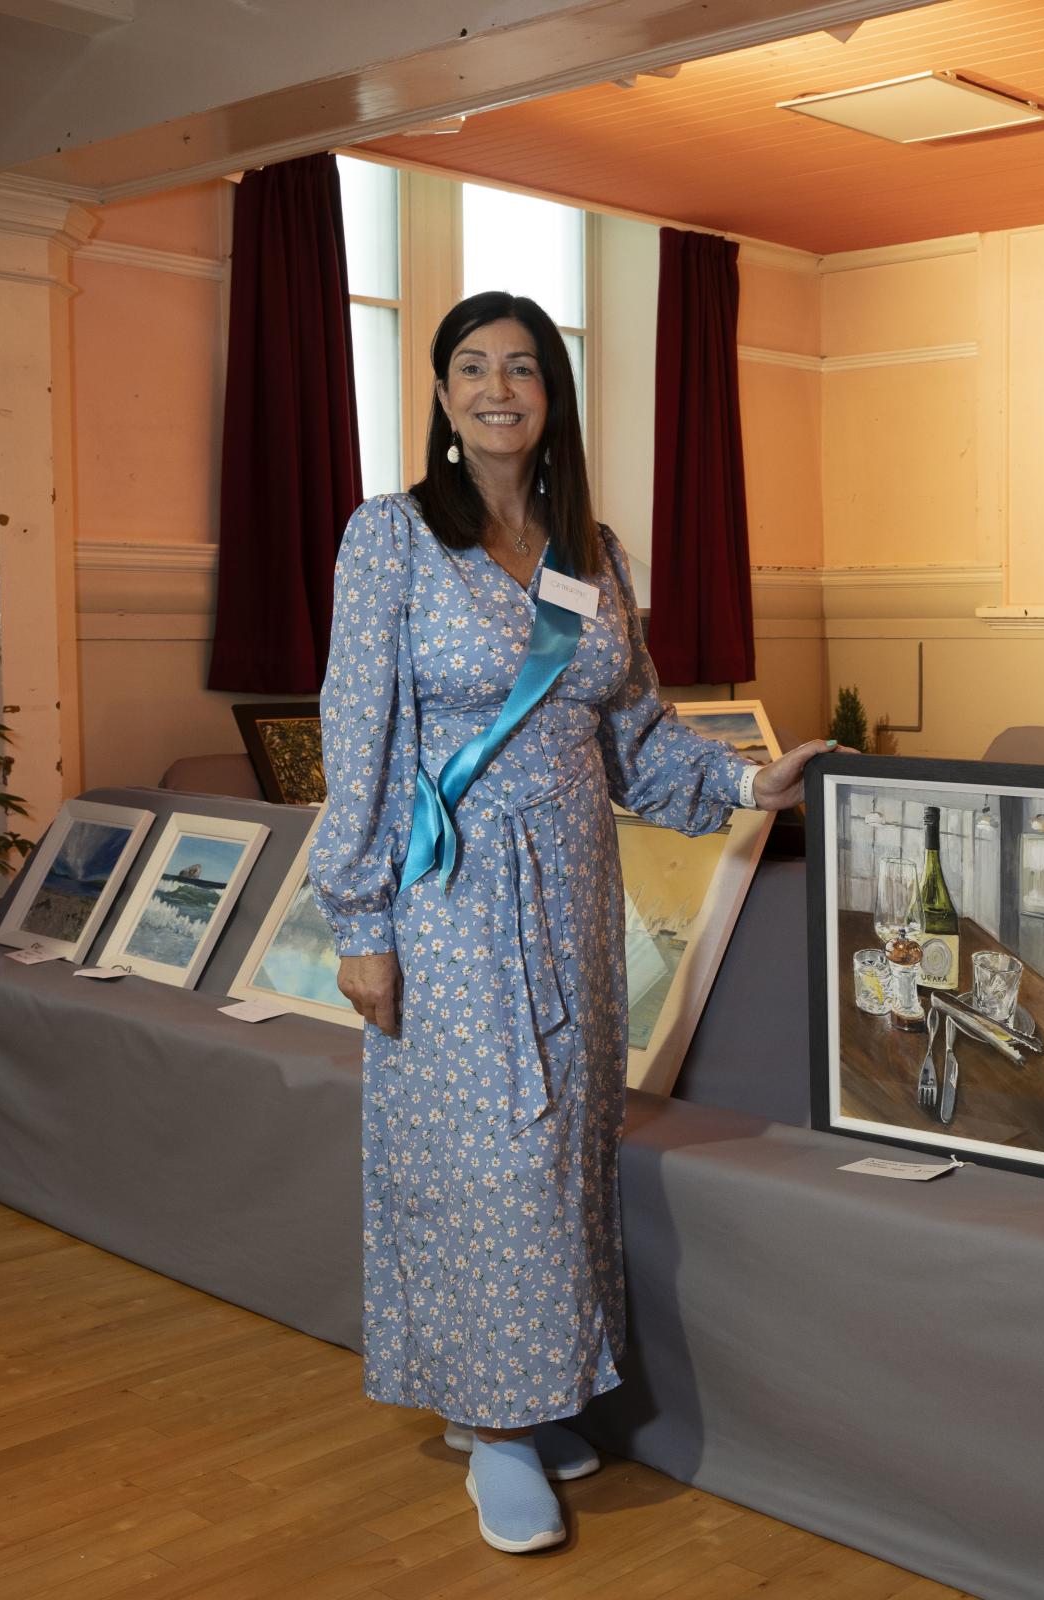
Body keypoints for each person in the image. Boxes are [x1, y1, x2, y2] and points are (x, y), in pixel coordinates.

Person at [310, 289, 829, 1554]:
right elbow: (356, 731)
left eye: (524, 368)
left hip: (574, 891)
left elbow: (633, 733)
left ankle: (523, 1390)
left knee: (564, 1141)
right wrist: (361, 917)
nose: (500, 388)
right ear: (439, 397)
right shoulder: (390, 538)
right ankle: (495, 1431)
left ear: (553, 396)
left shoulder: (589, 553)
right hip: (448, 893)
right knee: (490, 1151)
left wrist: (747, 783)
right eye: (473, 368)